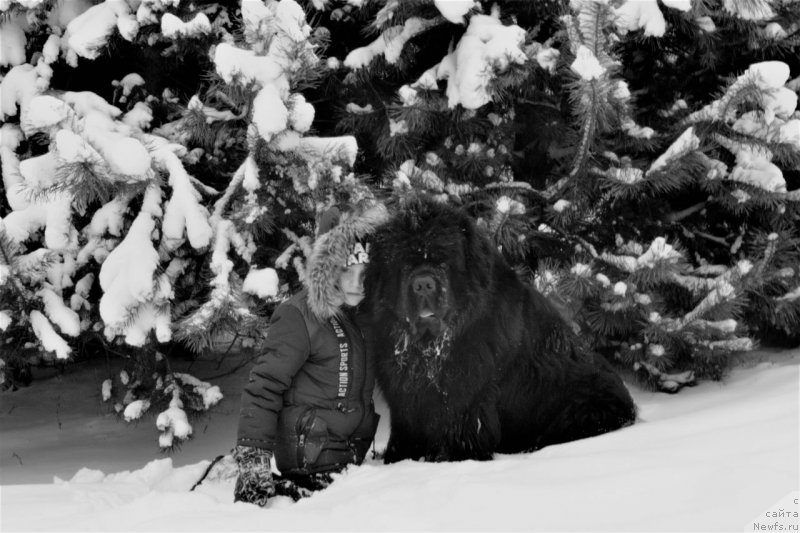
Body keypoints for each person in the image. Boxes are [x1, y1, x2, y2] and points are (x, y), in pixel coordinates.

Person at [233, 202, 388, 506]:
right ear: (328, 269)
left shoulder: (367, 316)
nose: (357, 283)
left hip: (352, 460)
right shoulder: (300, 316)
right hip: (310, 460)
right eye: (346, 271)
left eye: (365, 272)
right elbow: (264, 387)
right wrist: (253, 463)